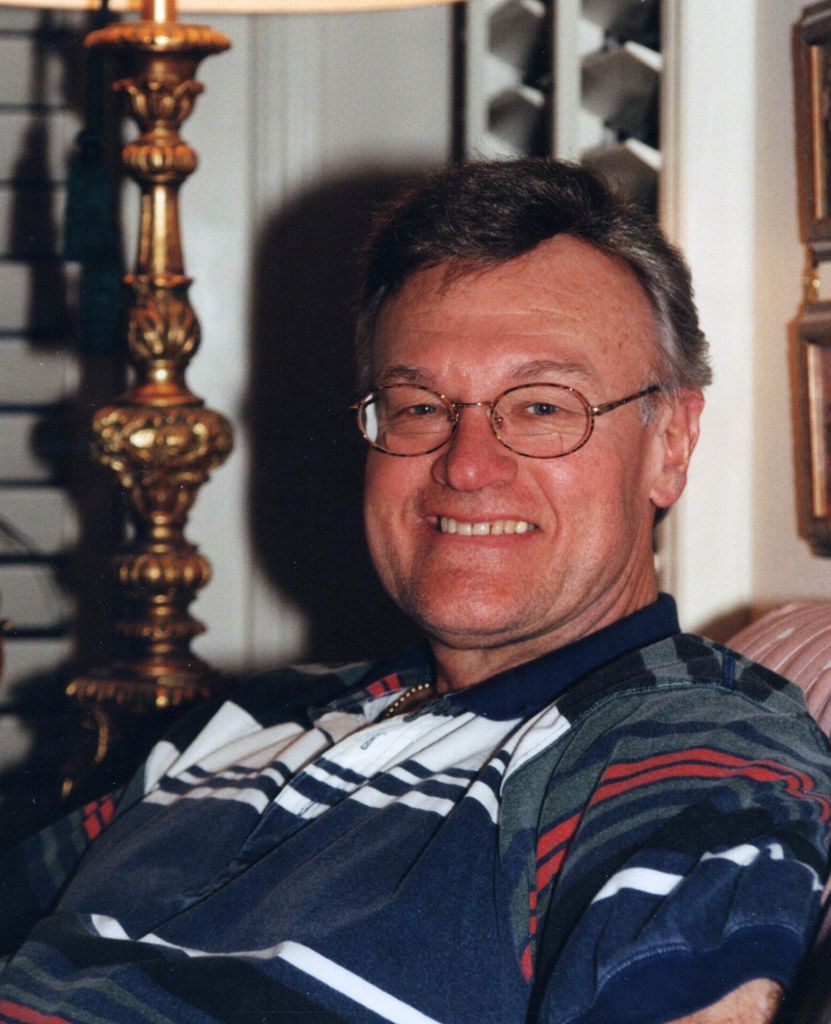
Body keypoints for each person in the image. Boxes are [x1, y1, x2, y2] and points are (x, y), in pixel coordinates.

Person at [2, 158, 830, 1024]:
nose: (466, 467)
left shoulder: (672, 744)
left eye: (542, 407)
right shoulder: (254, 720)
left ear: (670, 444)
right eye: (419, 407)